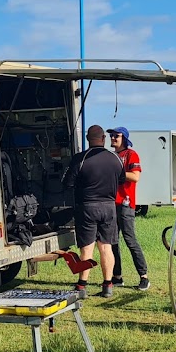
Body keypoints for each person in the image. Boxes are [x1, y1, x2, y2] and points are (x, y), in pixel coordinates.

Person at [62, 125, 125, 298]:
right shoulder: (115, 159)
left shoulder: (80, 159)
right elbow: (122, 179)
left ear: (88, 139)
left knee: (87, 248)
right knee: (106, 247)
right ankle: (108, 285)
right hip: (109, 206)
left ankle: (82, 286)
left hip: (87, 207)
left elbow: (67, 183)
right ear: (103, 138)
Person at [107, 126, 149, 291]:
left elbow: (135, 177)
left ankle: (144, 277)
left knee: (130, 240)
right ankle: (117, 277)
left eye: (116, 136)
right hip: (111, 204)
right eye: (111, 135)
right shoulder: (111, 156)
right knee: (112, 243)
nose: (112, 138)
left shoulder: (131, 155)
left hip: (126, 204)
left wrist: (117, 174)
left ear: (123, 137)